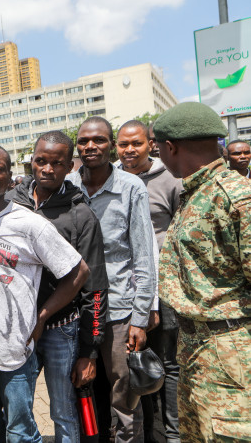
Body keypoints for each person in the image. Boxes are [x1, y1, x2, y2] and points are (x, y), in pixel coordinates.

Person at [0, 142, 89, 443]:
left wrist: (42, 316)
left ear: (11, 179)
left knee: (19, 431)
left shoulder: (29, 223)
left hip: (14, 349)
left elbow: (78, 272)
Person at [154, 102, 251, 442]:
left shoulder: (235, 197)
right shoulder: (195, 194)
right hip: (197, 347)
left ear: (170, 147)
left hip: (230, 352)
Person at [10, 131, 109, 442]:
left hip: (61, 329)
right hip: (17, 329)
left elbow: (93, 287)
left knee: (64, 412)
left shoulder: (81, 215)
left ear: (70, 167)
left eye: (56, 163)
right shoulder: (10, 205)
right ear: (31, 162)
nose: (47, 169)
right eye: (41, 161)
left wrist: (89, 352)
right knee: (16, 410)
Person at [68, 116, 156, 442]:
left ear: (111, 145)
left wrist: (141, 317)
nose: (91, 146)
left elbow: (144, 255)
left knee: (126, 397)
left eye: (100, 140)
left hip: (119, 311)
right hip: (75, 310)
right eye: (84, 141)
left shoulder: (131, 188)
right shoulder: (66, 186)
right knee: (82, 392)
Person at [116, 120, 182, 442]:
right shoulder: (112, 178)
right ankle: (149, 431)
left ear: (150, 145)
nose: (130, 151)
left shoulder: (169, 179)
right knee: (137, 364)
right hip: (125, 289)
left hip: (163, 286)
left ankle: (173, 433)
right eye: (123, 145)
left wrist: (156, 296)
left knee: (167, 363)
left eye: (136, 144)